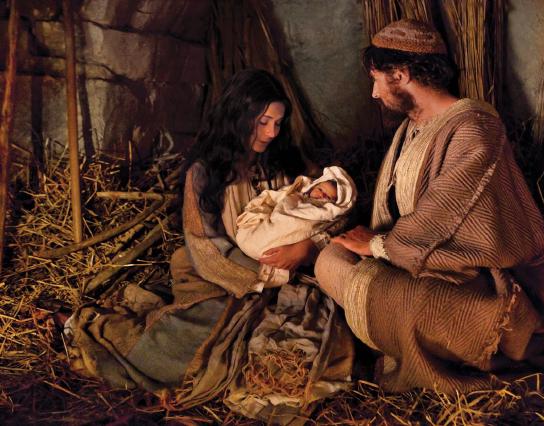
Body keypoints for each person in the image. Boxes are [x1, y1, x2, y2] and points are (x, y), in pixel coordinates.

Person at [64, 69, 353, 421]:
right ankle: (99, 327)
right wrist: (264, 274)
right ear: (239, 116)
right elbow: (206, 246)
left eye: (278, 123)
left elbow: (336, 213)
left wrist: (307, 249)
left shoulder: (292, 167)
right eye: (263, 122)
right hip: (220, 278)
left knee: (312, 342)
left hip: (292, 276)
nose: (272, 133)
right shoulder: (204, 174)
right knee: (177, 351)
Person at [315, 19, 544, 393]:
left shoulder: (475, 127)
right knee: (330, 259)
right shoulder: (410, 126)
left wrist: (377, 246)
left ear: (402, 74)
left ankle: (453, 337)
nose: (375, 94)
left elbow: (443, 216)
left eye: (377, 80)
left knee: (403, 299)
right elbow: (396, 210)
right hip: (415, 257)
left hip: (474, 276)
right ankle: (389, 306)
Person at [235, 166, 357, 287]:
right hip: (270, 225)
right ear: (313, 185)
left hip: (288, 244)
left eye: (328, 197)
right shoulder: (296, 195)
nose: (321, 196)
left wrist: (305, 247)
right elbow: (275, 199)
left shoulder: (325, 214)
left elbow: (323, 227)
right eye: (320, 189)